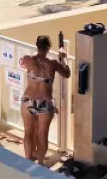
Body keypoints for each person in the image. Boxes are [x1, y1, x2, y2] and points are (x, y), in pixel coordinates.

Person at [20, 36, 71, 164]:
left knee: (28, 132)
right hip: (45, 102)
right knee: (42, 134)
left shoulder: (28, 59)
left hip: (28, 100)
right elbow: (67, 74)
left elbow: (23, 63)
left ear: (37, 45)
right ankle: (41, 162)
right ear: (48, 48)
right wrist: (64, 58)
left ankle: (28, 159)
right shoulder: (53, 64)